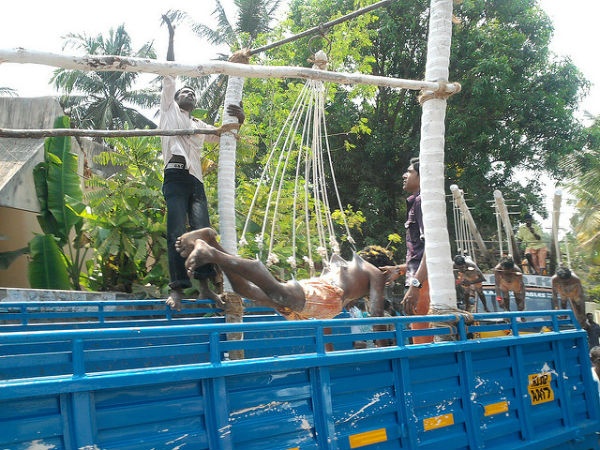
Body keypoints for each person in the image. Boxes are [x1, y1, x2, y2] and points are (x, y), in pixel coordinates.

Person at [161, 16, 245, 311]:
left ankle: (205, 287)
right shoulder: (169, 112)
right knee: (176, 231)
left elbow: (225, 136)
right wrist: (171, 37)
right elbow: (169, 73)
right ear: (175, 97)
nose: (188, 93)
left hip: (195, 181)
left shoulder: (199, 124)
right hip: (174, 176)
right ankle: (178, 289)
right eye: (184, 91)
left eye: (192, 93)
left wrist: (239, 117)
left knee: (203, 230)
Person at [175, 229, 393, 326]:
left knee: (246, 291)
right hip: (324, 297)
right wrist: (387, 350)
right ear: (383, 267)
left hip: (319, 301)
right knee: (277, 292)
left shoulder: (352, 268)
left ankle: (211, 243)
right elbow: (376, 314)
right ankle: (212, 253)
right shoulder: (375, 272)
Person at [400, 157, 432, 344]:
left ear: (422, 177)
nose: (405, 175)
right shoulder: (416, 202)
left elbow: (431, 249)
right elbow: (418, 255)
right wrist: (399, 268)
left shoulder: (421, 202)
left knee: (422, 342)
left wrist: (416, 285)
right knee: (420, 338)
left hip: (423, 283)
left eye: (410, 172)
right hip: (420, 280)